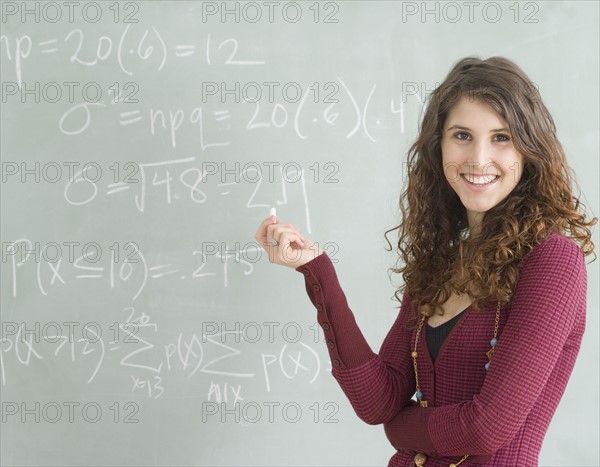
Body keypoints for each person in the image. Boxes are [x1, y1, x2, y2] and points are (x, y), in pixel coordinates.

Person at [254, 56, 597, 467]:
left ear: (529, 149)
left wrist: (400, 431)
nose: (478, 158)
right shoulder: (442, 265)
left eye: (502, 137)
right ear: (439, 146)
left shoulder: (553, 260)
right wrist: (317, 270)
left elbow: (487, 427)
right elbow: (379, 401)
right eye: (462, 135)